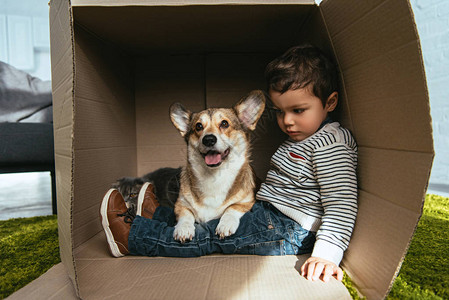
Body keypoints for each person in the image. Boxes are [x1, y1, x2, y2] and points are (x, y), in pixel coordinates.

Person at [100, 45, 358, 283]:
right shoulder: (300, 138)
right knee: (206, 219)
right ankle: (155, 215)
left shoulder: (330, 145)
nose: (287, 121)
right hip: (268, 215)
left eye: (298, 110)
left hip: (290, 230)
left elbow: (342, 204)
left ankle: (135, 239)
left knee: (210, 236)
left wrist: (326, 254)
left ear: (330, 103)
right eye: (280, 111)